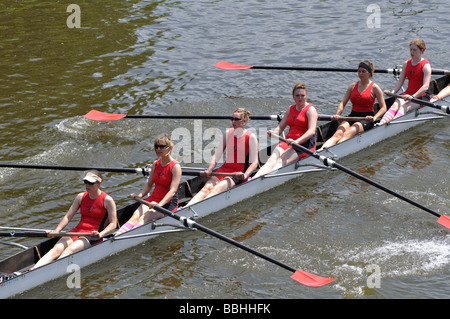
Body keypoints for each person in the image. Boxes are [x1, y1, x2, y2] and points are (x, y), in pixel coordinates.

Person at [31, 170, 117, 269]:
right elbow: (68, 216)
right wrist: (56, 232)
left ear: (99, 184)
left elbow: (113, 224)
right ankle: (32, 270)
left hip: (92, 235)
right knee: (55, 250)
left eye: (91, 183)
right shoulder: (80, 197)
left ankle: (51, 271)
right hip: (77, 231)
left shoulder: (107, 200)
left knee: (68, 251)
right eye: (86, 182)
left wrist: (100, 234)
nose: (87, 185)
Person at [185, 108, 259, 206]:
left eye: (236, 119)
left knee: (215, 190)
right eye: (232, 119)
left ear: (244, 121)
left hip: (238, 173)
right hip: (224, 169)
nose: (233, 121)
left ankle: (197, 209)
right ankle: (186, 208)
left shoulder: (251, 137)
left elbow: (254, 163)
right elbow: (217, 155)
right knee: (205, 189)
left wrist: (246, 174)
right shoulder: (228, 133)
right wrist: (210, 169)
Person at [115, 134, 181, 235]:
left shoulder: (175, 167)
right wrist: (140, 195)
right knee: (135, 216)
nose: (158, 149)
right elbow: (149, 184)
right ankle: (117, 237)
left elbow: (172, 191)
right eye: (156, 146)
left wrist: (159, 205)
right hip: (153, 199)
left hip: (168, 203)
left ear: (170, 147)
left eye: (162, 146)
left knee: (144, 217)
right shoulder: (156, 164)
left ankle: (128, 237)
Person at [253, 81, 318, 177]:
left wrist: (297, 141)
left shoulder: (310, 109)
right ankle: (254, 179)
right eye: (297, 95)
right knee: (271, 161)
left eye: (302, 95)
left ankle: (263, 181)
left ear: (306, 96)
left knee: (280, 162)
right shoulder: (290, 109)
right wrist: (274, 133)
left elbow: (311, 131)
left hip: (304, 144)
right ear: (293, 96)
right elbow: (281, 127)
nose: (300, 98)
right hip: (287, 141)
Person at [318, 61, 387, 150]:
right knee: (338, 133)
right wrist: (338, 114)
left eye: (363, 71)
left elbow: (383, 108)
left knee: (347, 133)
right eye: (359, 71)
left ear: (369, 73)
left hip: (366, 119)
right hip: (352, 116)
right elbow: (342, 103)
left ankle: (334, 151)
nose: (360, 74)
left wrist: (374, 118)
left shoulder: (375, 88)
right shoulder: (352, 86)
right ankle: (321, 150)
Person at [379, 38, 432, 124]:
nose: (411, 52)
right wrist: (392, 92)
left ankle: (392, 126)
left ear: (421, 51)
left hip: (421, 97)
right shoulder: (406, 63)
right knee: (394, 106)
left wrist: (413, 97)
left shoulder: (426, 66)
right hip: (408, 94)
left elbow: (425, 86)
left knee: (404, 107)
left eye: (414, 50)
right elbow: (400, 82)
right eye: (410, 49)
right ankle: (381, 125)